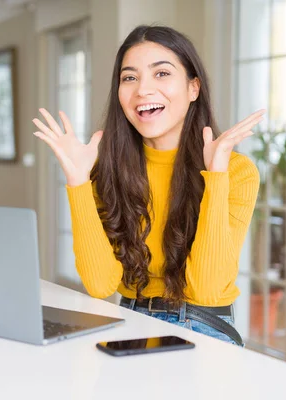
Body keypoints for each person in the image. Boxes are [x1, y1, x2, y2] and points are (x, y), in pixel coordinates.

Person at [32, 25, 263, 346]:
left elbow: (207, 290)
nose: (143, 90)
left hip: (201, 323)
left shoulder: (237, 172)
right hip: (128, 319)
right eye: (129, 78)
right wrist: (78, 182)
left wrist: (216, 176)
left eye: (162, 73)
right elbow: (101, 285)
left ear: (193, 88)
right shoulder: (107, 169)